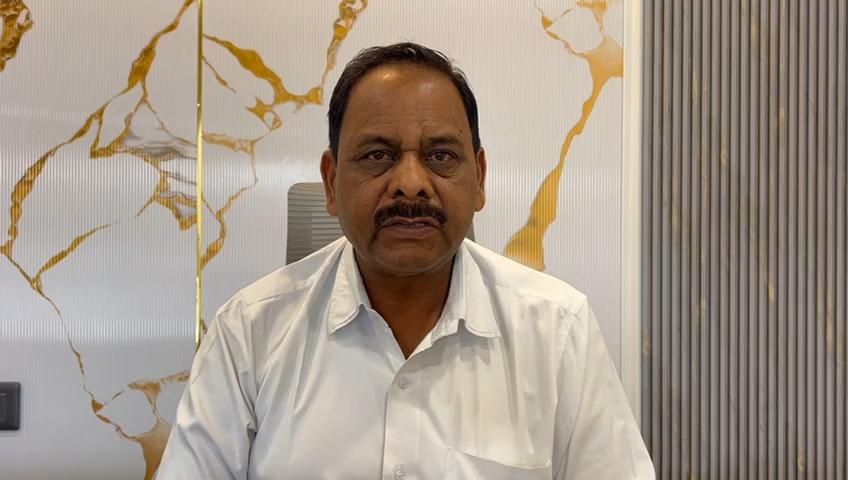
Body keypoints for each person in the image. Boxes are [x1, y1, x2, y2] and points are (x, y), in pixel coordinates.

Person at [155, 42, 655, 479]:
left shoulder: (558, 329)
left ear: (480, 179)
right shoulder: (249, 333)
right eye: (378, 155)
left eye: (440, 156)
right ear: (331, 181)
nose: (411, 183)